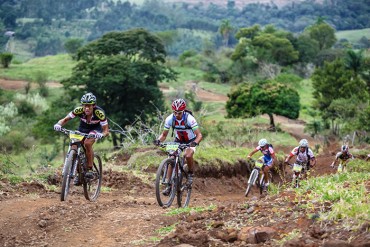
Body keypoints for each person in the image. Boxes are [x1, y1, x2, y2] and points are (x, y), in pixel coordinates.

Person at [53, 93, 109, 184]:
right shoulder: (78, 110)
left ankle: (90, 169)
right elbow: (65, 119)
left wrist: (101, 134)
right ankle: (79, 173)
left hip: (95, 130)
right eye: (84, 105)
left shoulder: (99, 113)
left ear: (93, 106)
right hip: (82, 129)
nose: (86, 108)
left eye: (89, 106)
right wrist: (58, 124)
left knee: (87, 143)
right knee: (74, 145)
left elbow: (106, 130)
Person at [154, 98, 202, 195]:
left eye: (179, 113)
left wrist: (195, 143)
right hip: (178, 140)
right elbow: (164, 135)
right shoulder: (169, 119)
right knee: (171, 157)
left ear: (183, 111)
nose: (177, 115)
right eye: (175, 112)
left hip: (190, 141)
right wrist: (158, 140)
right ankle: (168, 185)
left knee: (188, 156)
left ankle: (190, 174)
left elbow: (199, 135)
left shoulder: (190, 119)